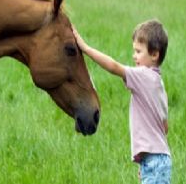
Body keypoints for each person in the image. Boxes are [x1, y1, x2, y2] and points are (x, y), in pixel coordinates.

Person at [73, 19, 171, 184]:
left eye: (139, 51)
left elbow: (113, 66)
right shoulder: (157, 83)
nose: (134, 56)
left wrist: (85, 48)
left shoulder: (144, 76)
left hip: (155, 161)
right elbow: (165, 127)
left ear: (155, 55)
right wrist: (145, 163)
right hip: (158, 160)